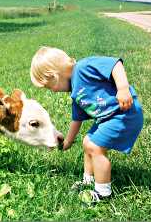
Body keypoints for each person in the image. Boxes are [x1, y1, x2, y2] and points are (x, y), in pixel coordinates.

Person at [30, 46, 143, 204]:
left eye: (50, 86)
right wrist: (68, 141)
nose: (53, 91)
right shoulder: (76, 92)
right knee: (87, 142)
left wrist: (123, 88)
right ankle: (88, 181)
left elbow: (115, 64)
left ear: (54, 76)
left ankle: (103, 192)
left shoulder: (84, 67)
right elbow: (76, 120)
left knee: (95, 147)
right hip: (108, 118)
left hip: (124, 113)